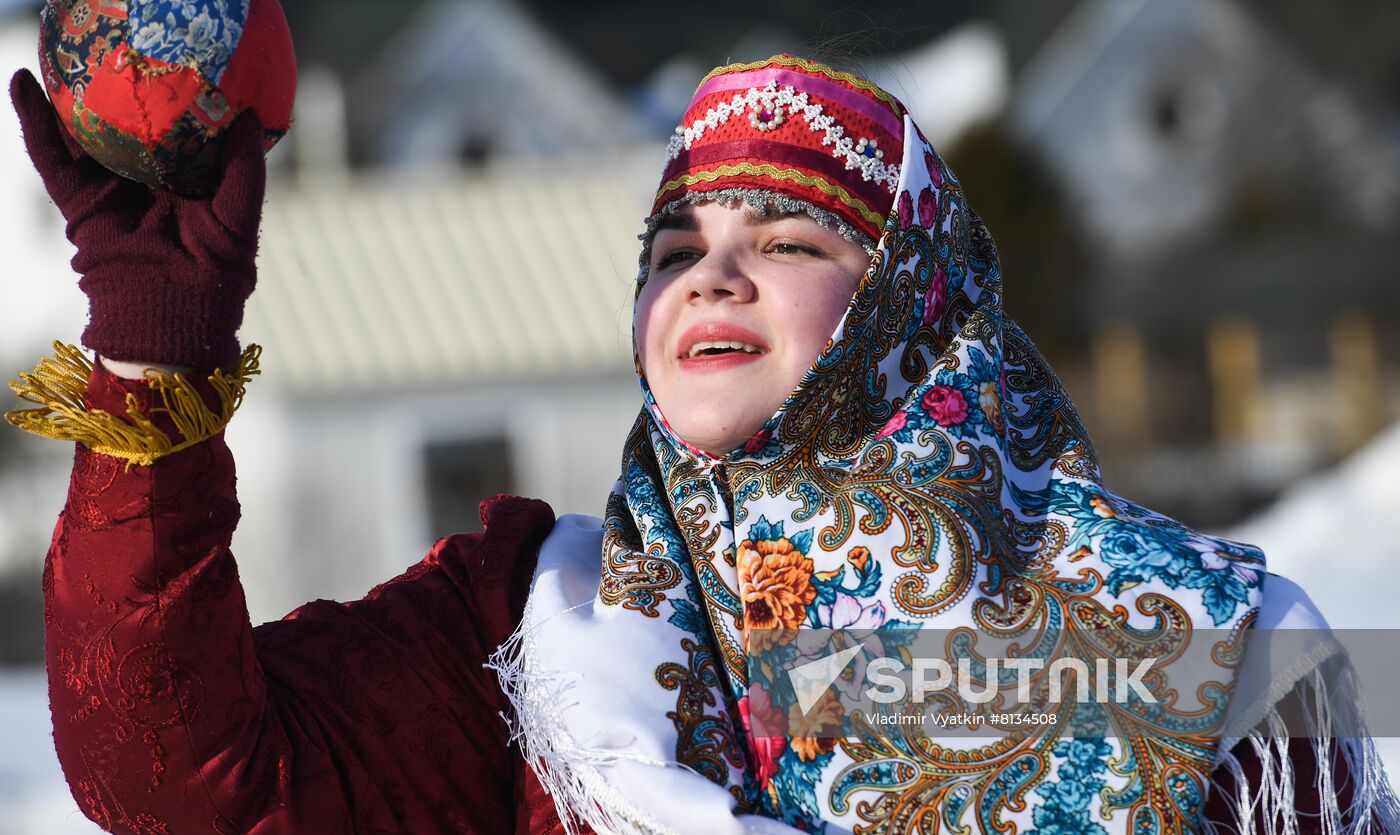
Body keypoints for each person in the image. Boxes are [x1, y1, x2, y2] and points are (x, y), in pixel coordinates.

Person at [7, 54, 1397, 835]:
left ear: (918, 299)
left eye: (787, 240)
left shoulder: (1212, 649)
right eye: (673, 249)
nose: (709, 279)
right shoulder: (529, 625)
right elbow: (174, 776)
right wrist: (151, 358)